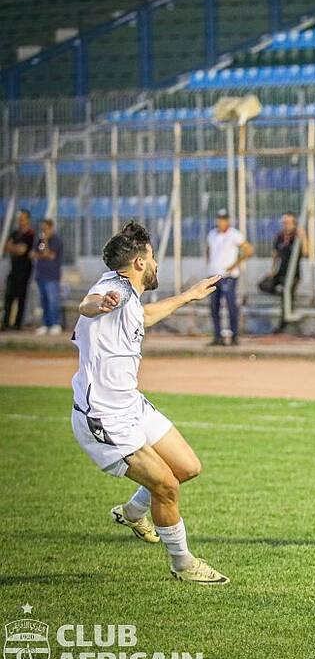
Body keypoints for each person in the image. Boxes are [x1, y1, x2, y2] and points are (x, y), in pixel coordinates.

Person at [71, 221, 228, 583]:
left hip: (131, 404)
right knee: (167, 486)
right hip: (104, 417)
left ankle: (131, 511)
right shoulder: (114, 288)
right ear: (140, 262)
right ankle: (183, 564)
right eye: (153, 257)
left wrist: (189, 295)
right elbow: (87, 304)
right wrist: (98, 304)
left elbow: (144, 316)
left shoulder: (130, 296)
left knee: (187, 468)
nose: (157, 264)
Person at [206, 209, 253, 346]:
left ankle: (234, 336)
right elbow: (209, 251)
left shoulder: (234, 234)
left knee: (231, 306)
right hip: (214, 275)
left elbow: (249, 250)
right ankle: (218, 336)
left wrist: (235, 264)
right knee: (214, 307)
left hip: (228, 276)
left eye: (223, 219)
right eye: (219, 219)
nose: (221, 222)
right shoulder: (212, 234)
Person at [259, 212, 308, 334]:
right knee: (264, 285)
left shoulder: (297, 236)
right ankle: (282, 297)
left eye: (289, 222)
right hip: (281, 271)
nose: (286, 225)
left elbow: (306, 252)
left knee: (287, 300)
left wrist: (303, 237)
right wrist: (272, 269)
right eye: (285, 222)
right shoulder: (280, 236)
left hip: (293, 274)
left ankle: (284, 326)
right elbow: (275, 254)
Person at [2, 209, 35, 331]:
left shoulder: (30, 234)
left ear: (27, 219)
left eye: (22, 218)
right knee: (8, 297)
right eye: (19, 218)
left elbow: (22, 250)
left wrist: (13, 248)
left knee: (21, 298)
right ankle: (5, 323)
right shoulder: (15, 233)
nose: (20, 221)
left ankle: (17, 324)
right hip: (13, 269)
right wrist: (15, 248)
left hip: (24, 271)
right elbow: (6, 246)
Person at [32, 218, 63, 335]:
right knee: (43, 301)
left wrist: (45, 242)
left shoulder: (56, 240)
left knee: (52, 300)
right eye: (42, 229)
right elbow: (32, 254)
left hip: (52, 276)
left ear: (51, 228)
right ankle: (46, 324)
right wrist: (42, 253)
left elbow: (50, 255)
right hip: (41, 275)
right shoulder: (39, 240)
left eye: (45, 228)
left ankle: (55, 324)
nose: (43, 231)